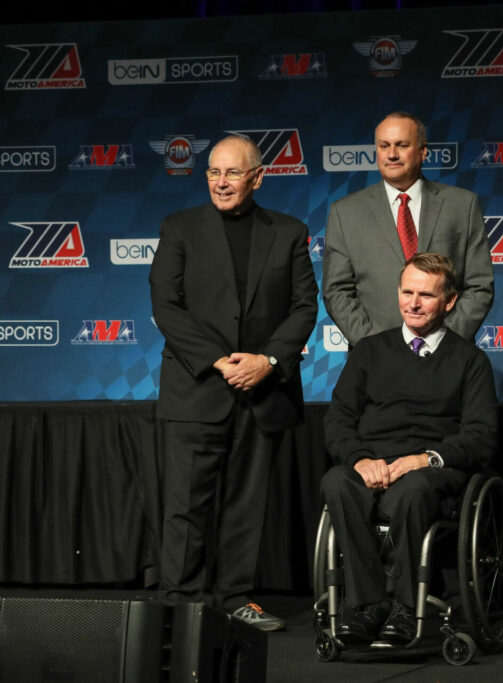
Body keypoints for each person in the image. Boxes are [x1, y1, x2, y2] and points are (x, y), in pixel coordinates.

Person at [149, 134, 318, 631]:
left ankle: (235, 599)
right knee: (185, 505)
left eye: (233, 173)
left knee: (246, 504)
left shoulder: (289, 232)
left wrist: (267, 360)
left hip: (261, 392)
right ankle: (181, 603)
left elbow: (304, 307)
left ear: (258, 177)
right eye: (214, 173)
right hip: (196, 388)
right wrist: (221, 362)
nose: (222, 182)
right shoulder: (178, 228)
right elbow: (166, 306)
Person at [321, 253, 498, 646]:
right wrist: (360, 459)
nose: (413, 303)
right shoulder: (369, 350)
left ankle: (405, 606)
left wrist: (425, 459)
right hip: (372, 462)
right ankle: (368, 605)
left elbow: (481, 436)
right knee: (337, 482)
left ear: (449, 301)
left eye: (426, 295)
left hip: (431, 467)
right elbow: (338, 420)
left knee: (412, 490)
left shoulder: (470, 360)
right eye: (407, 292)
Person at [322, 111, 493, 347]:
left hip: (448, 357)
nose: (392, 154)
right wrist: (377, 347)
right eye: (384, 146)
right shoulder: (346, 212)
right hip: (376, 361)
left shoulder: (462, 205)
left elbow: (480, 284)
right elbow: (336, 291)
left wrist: (443, 342)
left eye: (401, 145)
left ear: (423, 151)